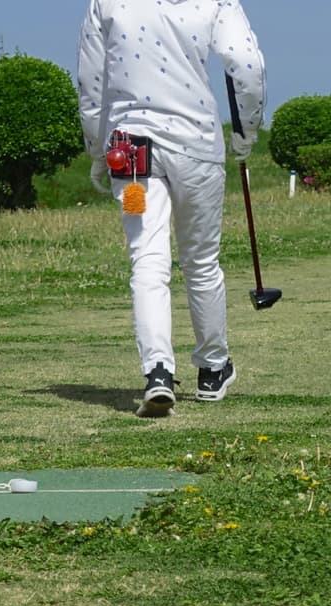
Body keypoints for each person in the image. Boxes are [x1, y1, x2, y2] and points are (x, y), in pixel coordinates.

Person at [77, 0, 265, 417]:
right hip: (195, 145)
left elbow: (92, 81)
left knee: (147, 260)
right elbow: (244, 63)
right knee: (200, 261)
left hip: (129, 153)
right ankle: (213, 368)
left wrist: (95, 147)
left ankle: (158, 371)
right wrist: (246, 130)